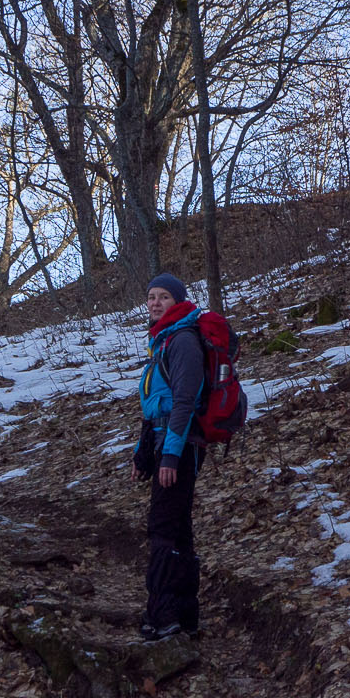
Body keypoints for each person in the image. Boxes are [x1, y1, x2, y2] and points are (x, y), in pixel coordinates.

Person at [132, 273, 206, 639]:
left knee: (163, 530)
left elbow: (183, 404)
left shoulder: (183, 341)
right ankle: (183, 615)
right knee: (177, 530)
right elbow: (153, 408)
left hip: (180, 447)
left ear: (178, 302)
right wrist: (143, 454)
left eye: (163, 297)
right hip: (166, 445)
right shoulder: (162, 341)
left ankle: (162, 617)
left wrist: (170, 458)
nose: (155, 302)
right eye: (151, 296)